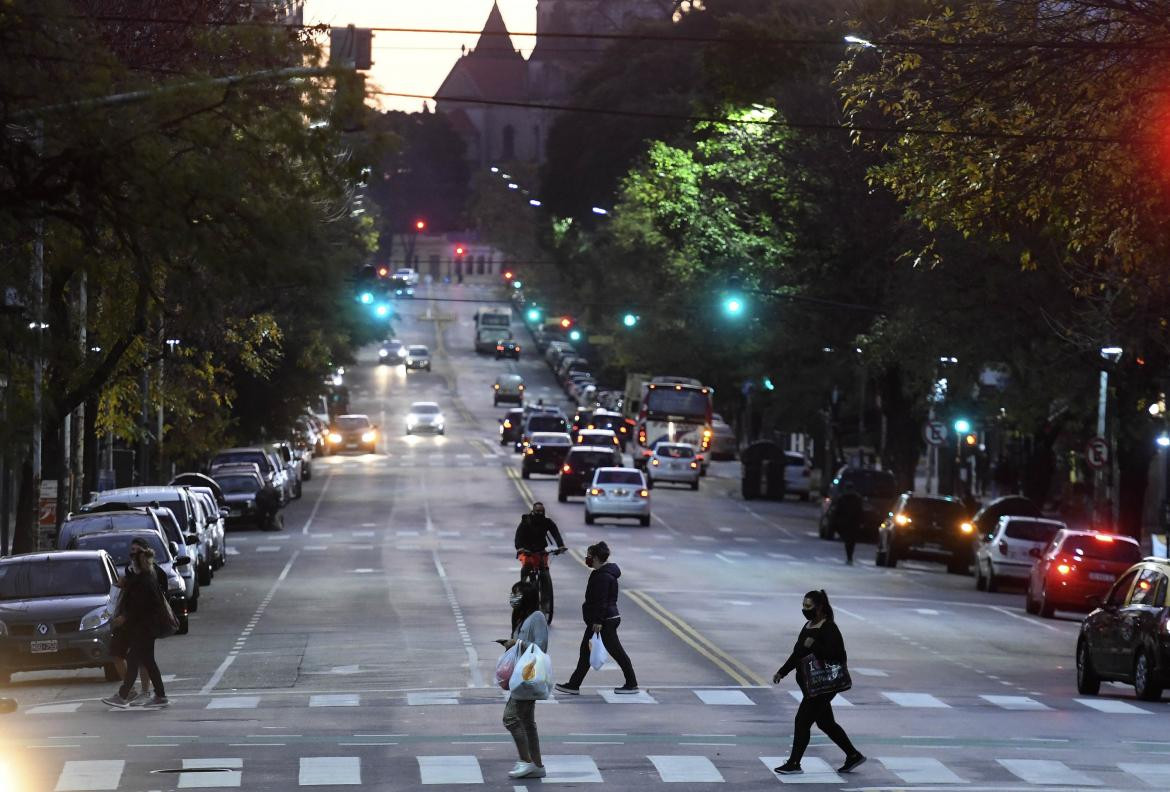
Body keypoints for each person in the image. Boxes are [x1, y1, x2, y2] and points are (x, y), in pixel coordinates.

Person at [772, 590, 864, 775]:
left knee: (802, 721)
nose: (805, 609)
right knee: (826, 723)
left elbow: (836, 654)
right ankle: (853, 755)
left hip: (823, 686)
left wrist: (813, 645)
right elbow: (798, 653)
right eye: (803, 606)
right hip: (811, 685)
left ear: (820, 607)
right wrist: (782, 671)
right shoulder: (808, 625)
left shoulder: (829, 628)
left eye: (808, 606)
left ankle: (794, 763)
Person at [555, 541, 639, 695]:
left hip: (604, 621)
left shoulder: (603, 577)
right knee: (585, 651)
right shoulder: (602, 574)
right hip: (602, 619)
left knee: (617, 652)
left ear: (597, 558)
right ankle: (574, 685)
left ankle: (632, 683)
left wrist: (598, 621)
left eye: (589, 556)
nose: (587, 559)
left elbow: (602, 601)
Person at [101, 547, 170, 709]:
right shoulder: (146, 578)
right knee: (148, 661)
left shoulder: (144, 581)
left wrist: (124, 618)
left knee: (133, 660)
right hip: (147, 628)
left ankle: (123, 695)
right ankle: (160, 695)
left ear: (138, 564)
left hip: (144, 628)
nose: (131, 565)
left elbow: (140, 607)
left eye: (133, 561)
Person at [499, 580, 549, 779]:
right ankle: (535, 765)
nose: (513, 597)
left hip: (528, 676)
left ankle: (527, 761)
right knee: (527, 722)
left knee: (511, 719)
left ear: (527, 596)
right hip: (521, 675)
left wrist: (516, 643)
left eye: (516, 593)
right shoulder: (522, 616)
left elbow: (541, 646)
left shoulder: (537, 617)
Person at [828, 484, 864, 565]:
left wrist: (835, 522)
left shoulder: (843, 497)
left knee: (848, 541)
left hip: (845, 522)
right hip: (853, 522)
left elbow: (837, 510)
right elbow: (860, 512)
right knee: (851, 541)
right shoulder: (857, 498)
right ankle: (850, 557)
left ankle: (849, 557)